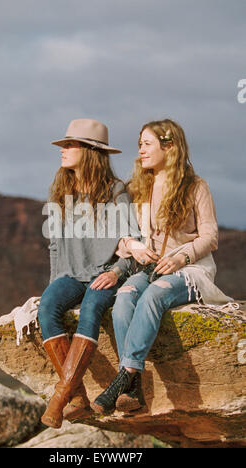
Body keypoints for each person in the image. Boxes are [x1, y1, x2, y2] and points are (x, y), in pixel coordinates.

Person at [91, 118, 235, 415]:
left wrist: (181, 257)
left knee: (155, 295)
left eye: (147, 144)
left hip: (189, 269)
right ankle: (133, 389)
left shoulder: (196, 187)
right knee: (126, 296)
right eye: (139, 145)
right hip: (149, 269)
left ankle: (124, 378)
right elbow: (122, 237)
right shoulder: (138, 187)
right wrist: (135, 248)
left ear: (169, 146)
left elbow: (210, 236)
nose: (140, 151)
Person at [38, 118, 137, 428]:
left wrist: (118, 272)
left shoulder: (116, 190)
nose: (63, 150)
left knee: (92, 309)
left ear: (91, 151)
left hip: (103, 273)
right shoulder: (60, 189)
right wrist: (56, 282)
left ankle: (59, 398)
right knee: (46, 308)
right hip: (68, 275)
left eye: (70, 145)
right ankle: (78, 398)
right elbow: (55, 246)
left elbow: (135, 241)